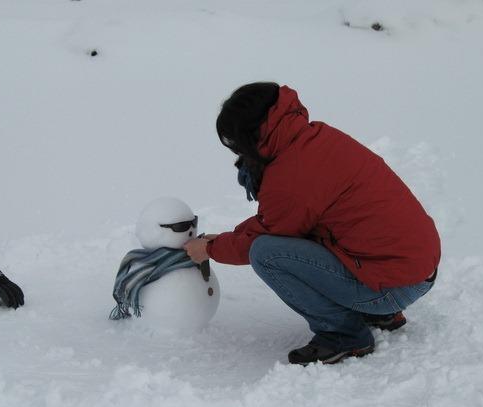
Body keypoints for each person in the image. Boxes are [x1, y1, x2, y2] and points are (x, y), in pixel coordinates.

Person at [183, 83, 440, 365]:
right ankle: (380, 313)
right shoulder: (314, 138)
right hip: (413, 269)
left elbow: (268, 236)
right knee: (291, 239)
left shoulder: (290, 176)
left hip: (393, 284)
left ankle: (344, 334)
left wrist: (211, 250)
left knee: (265, 254)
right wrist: (225, 239)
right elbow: (281, 221)